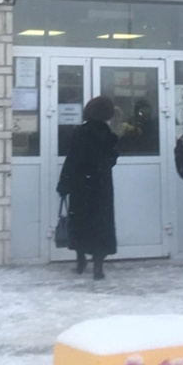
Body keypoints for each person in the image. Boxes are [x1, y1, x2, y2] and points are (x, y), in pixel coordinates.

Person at [56, 95, 119, 280]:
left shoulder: (80, 132)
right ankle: (98, 266)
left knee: (80, 222)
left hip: (81, 185)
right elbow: (111, 159)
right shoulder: (108, 135)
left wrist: (64, 184)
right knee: (101, 225)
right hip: (101, 186)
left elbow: (72, 159)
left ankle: (80, 259)